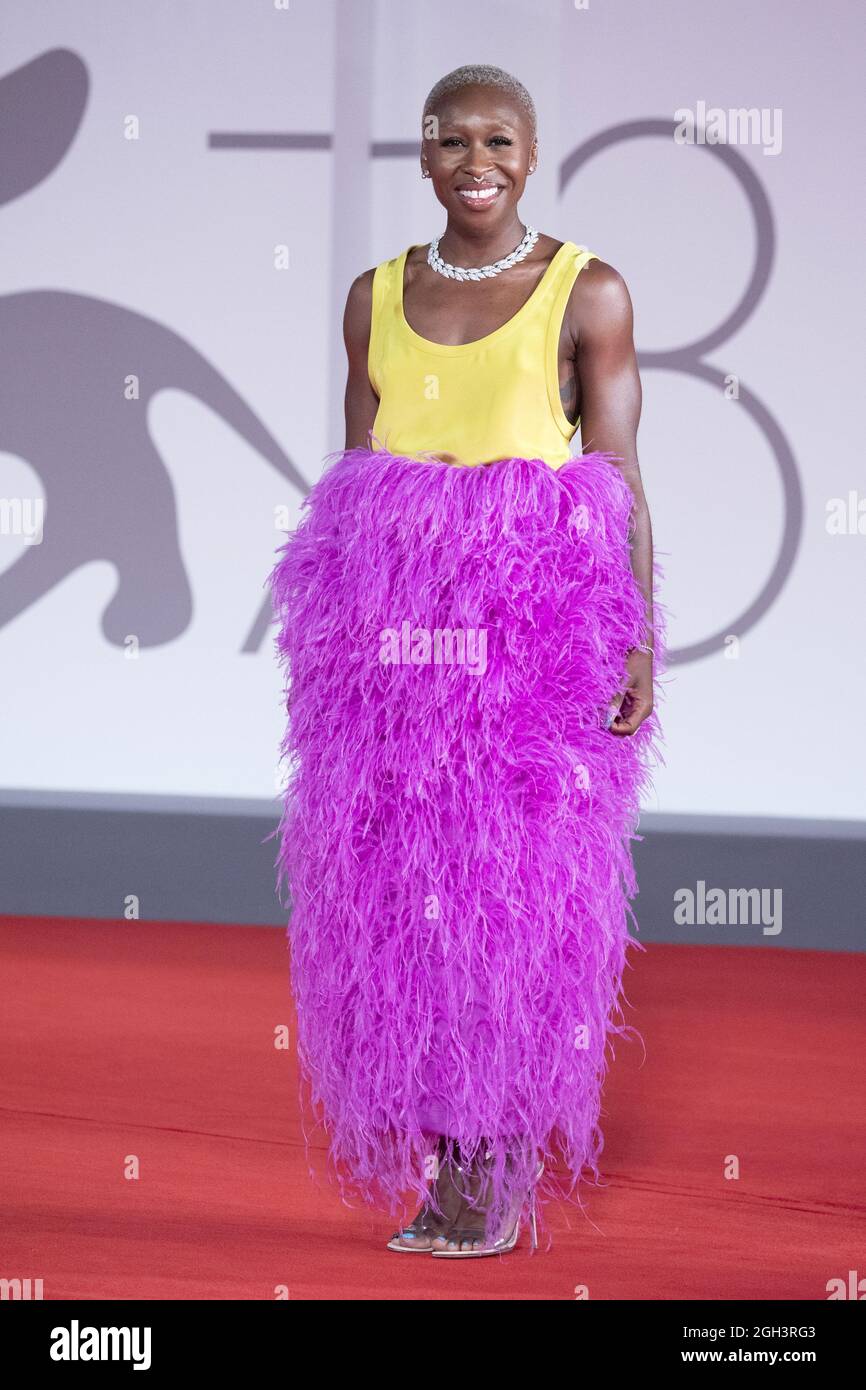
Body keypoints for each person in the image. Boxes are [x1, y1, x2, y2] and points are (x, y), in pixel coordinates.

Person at [269, 63, 663, 1259]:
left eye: (500, 139)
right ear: (424, 155)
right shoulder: (373, 296)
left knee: (506, 911)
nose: (475, 161)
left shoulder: (584, 292)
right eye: (453, 141)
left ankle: (487, 1173)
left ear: (530, 154)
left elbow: (618, 475)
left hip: (527, 653)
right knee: (398, 912)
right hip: (390, 664)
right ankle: (441, 1165)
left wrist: (642, 631)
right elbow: (355, 492)